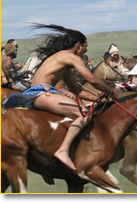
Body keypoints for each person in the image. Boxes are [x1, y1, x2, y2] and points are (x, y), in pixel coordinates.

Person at [3, 24, 119, 170]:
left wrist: (100, 97)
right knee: (84, 113)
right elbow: (93, 79)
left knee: (80, 109)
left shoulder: (63, 61)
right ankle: (63, 150)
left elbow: (77, 90)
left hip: (37, 94)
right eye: (85, 46)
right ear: (78, 45)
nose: (86, 50)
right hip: (41, 93)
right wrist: (112, 92)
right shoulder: (69, 56)